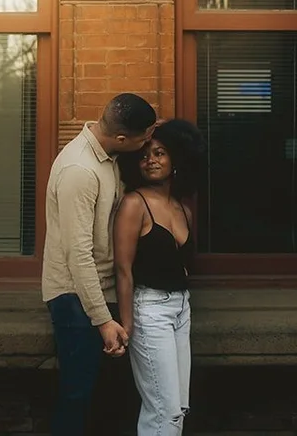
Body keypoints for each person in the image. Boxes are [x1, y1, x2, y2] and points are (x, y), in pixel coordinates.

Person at [42, 91, 158, 436]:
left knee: (106, 397)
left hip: (98, 292)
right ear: (123, 138)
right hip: (73, 298)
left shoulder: (107, 154)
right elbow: (78, 255)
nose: (148, 143)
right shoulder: (80, 170)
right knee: (77, 394)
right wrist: (103, 320)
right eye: (145, 138)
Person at [113, 118, 205, 436]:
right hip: (149, 309)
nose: (151, 160)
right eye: (144, 154)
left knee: (177, 408)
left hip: (181, 309)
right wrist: (126, 326)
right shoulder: (133, 204)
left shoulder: (183, 209)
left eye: (161, 152)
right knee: (163, 410)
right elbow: (123, 270)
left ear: (177, 158)